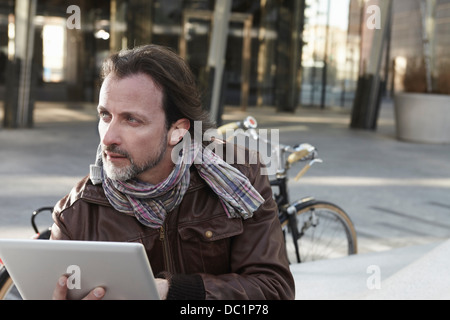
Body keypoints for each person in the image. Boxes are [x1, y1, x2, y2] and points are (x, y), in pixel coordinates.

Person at [51, 44, 295, 300]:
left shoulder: (241, 176)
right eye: (105, 116)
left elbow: (274, 290)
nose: (108, 137)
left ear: (177, 131)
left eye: (131, 120)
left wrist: (172, 291)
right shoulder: (76, 213)